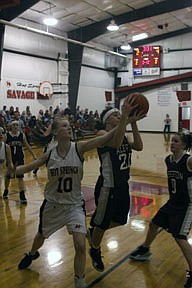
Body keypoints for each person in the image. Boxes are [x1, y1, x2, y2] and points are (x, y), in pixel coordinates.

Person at [16, 101, 134, 288]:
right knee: (40, 236)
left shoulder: (78, 148)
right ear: (55, 132)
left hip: (74, 206)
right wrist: (15, 170)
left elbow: (102, 140)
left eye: (69, 125)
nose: (69, 128)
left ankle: (79, 282)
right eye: (64, 126)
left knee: (80, 244)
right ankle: (31, 253)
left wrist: (124, 122)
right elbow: (32, 165)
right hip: (53, 205)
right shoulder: (50, 153)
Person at [88, 96, 146, 272]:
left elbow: (139, 146)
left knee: (121, 220)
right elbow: (114, 144)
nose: (119, 115)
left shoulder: (123, 132)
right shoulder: (102, 134)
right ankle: (95, 250)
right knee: (103, 223)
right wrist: (126, 121)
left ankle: (95, 230)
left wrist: (133, 123)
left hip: (122, 185)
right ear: (107, 121)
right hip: (108, 185)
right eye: (115, 114)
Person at [128, 131, 192, 288]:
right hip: (173, 203)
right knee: (153, 223)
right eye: (172, 141)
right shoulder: (168, 160)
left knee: (179, 237)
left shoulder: (188, 160)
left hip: (186, 206)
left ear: (183, 145)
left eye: (176, 141)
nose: (172, 143)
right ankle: (145, 249)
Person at [2, 120, 36, 203]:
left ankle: (22, 195)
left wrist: (33, 154)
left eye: (17, 125)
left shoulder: (21, 135)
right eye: (13, 125)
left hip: (20, 158)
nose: (15, 126)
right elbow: (2, 147)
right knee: (8, 176)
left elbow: (27, 145)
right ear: (11, 126)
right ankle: (6, 190)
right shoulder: (7, 136)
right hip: (10, 159)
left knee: (20, 177)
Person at [0, 127, 14, 193]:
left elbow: (10, 161)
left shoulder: (6, 147)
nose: (1, 135)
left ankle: (5, 190)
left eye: (2, 133)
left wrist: (12, 168)